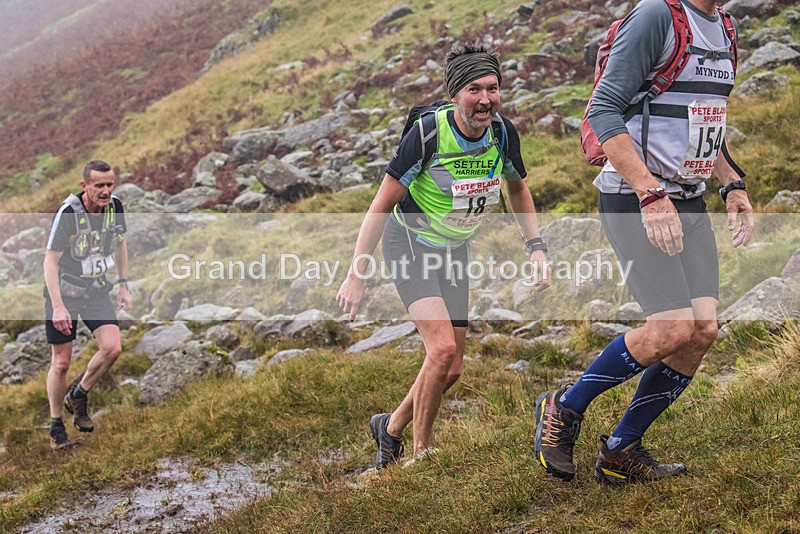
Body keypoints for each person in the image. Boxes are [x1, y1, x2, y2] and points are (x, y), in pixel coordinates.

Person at [534, 0, 754, 483]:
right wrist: (649, 192)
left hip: (689, 201)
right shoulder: (657, 15)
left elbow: (705, 119)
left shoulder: (727, 27)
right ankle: (563, 408)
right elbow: (604, 109)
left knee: (702, 331)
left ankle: (620, 448)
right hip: (638, 199)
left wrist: (731, 183)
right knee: (671, 330)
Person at [337, 41, 551, 469]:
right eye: (474, 89)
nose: (485, 99)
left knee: (451, 369)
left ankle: (391, 427)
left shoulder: (502, 133)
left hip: (454, 249)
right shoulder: (427, 134)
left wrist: (536, 247)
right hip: (411, 245)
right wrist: (357, 274)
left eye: (492, 88)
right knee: (440, 351)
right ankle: (422, 453)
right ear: (456, 94)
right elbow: (380, 205)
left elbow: (517, 186)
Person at [43, 160, 132, 450]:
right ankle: (56, 425)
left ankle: (78, 394)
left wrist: (123, 284)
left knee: (113, 348)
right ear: (85, 186)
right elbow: (50, 261)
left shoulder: (115, 207)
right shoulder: (68, 213)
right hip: (64, 292)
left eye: (110, 184)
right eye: (99, 186)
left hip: (94, 290)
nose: (106, 191)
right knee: (62, 361)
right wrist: (58, 306)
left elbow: (120, 244)